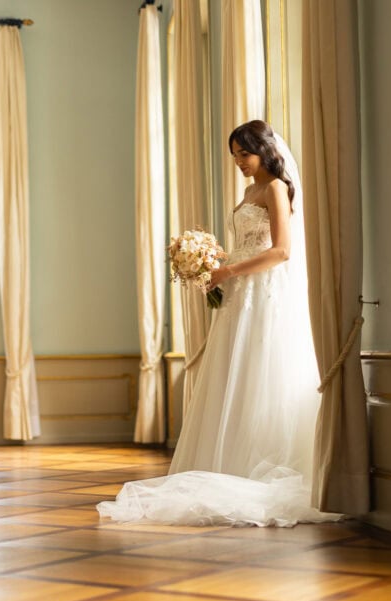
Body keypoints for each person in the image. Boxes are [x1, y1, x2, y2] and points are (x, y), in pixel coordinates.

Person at [98, 120, 341, 527]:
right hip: (239, 295)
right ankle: (226, 464)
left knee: (261, 372)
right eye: (234, 155)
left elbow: (282, 251)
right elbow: (250, 244)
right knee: (234, 376)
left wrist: (228, 272)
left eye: (243, 154)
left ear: (264, 150)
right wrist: (211, 261)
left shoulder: (276, 188)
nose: (238, 163)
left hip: (263, 295)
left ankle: (259, 464)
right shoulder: (249, 192)